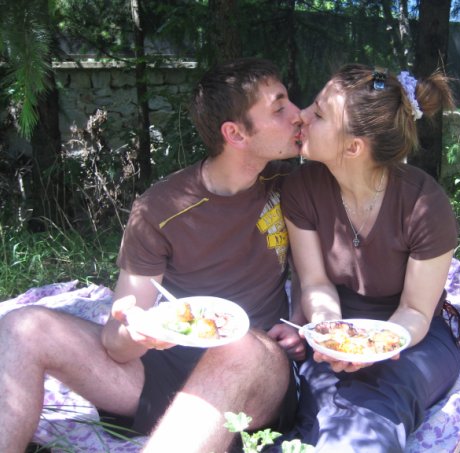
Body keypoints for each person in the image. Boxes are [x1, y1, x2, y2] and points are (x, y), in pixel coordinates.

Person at [0, 57, 306, 453]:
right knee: (22, 326)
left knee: (239, 346)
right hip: (163, 374)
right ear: (235, 133)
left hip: (255, 371)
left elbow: (316, 270)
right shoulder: (161, 208)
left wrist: (300, 321)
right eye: (279, 108)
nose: (298, 114)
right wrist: (137, 332)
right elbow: (116, 341)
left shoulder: (292, 183)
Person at [278, 64, 460, 451]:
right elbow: (315, 283)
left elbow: (415, 310)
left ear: (353, 147)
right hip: (336, 331)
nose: (302, 116)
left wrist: (376, 346)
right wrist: (331, 334)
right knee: (321, 399)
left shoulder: (425, 204)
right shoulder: (301, 189)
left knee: (383, 398)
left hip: (413, 339)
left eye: (319, 114)